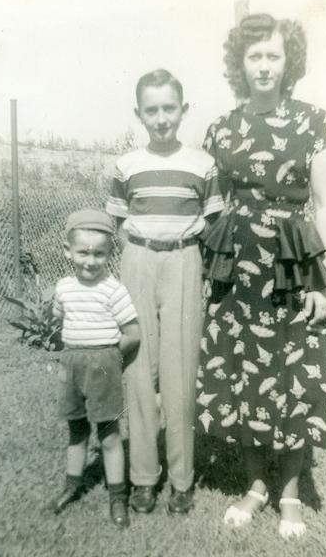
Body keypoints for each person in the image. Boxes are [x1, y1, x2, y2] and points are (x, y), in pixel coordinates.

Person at [196, 13, 326, 539]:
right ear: (241, 63)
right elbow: (213, 203)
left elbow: (325, 202)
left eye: (272, 55)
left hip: (292, 264)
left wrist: (321, 281)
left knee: (294, 370)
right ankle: (256, 485)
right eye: (254, 56)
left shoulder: (312, 123)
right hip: (239, 267)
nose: (263, 66)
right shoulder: (222, 128)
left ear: (287, 61)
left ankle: (291, 492)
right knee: (245, 371)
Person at [106, 69, 224, 515]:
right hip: (138, 260)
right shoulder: (126, 166)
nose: (161, 119)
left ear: (183, 110)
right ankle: (142, 478)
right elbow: (120, 220)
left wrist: (182, 254)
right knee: (138, 369)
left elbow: (212, 222)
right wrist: (141, 252)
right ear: (138, 113)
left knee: (180, 373)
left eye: (169, 108)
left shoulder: (202, 164)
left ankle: (181, 479)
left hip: (183, 261)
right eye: (151, 110)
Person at [52, 209, 140, 529]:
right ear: (68, 251)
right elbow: (60, 318)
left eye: (99, 254)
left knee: (109, 434)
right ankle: (72, 486)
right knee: (76, 429)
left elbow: (133, 333)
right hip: (72, 363)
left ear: (109, 253)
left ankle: (118, 496)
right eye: (83, 253)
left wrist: (111, 359)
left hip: (104, 364)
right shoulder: (63, 288)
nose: (90, 261)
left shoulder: (113, 290)